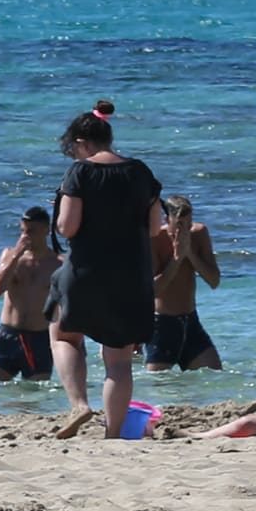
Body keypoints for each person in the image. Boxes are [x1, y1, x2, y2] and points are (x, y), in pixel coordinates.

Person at [47, 102, 164, 439]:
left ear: (81, 142)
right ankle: (113, 434)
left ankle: (79, 404)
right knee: (119, 361)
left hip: (88, 269)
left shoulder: (80, 173)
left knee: (64, 335)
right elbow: (154, 228)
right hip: (132, 273)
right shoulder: (141, 171)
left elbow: (68, 227)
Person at [146, 196, 222, 372]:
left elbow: (214, 281)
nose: (185, 229)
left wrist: (190, 254)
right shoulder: (155, 239)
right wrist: (177, 258)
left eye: (188, 223)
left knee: (215, 375)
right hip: (162, 325)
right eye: (179, 224)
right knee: (158, 384)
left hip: (191, 321)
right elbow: (155, 290)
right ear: (167, 220)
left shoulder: (199, 233)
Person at [0, 207, 61, 382]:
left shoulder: (57, 264)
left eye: (31, 231)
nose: (25, 236)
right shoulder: (9, 256)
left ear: (46, 230)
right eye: (23, 231)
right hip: (8, 335)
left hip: (39, 338)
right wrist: (16, 255)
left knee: (36, 393)